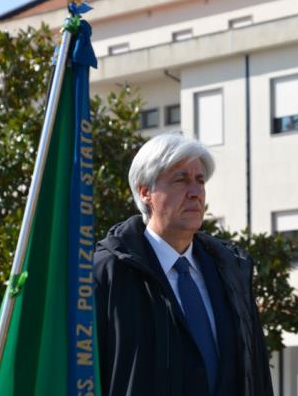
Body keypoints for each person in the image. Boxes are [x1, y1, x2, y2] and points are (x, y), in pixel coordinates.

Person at [94, 133, 273, 396]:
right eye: (181, 180)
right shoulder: (105, 273)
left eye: (200, 181)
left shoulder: (231, 272)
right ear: (145, 192)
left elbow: (254, 373)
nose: (195, 193)